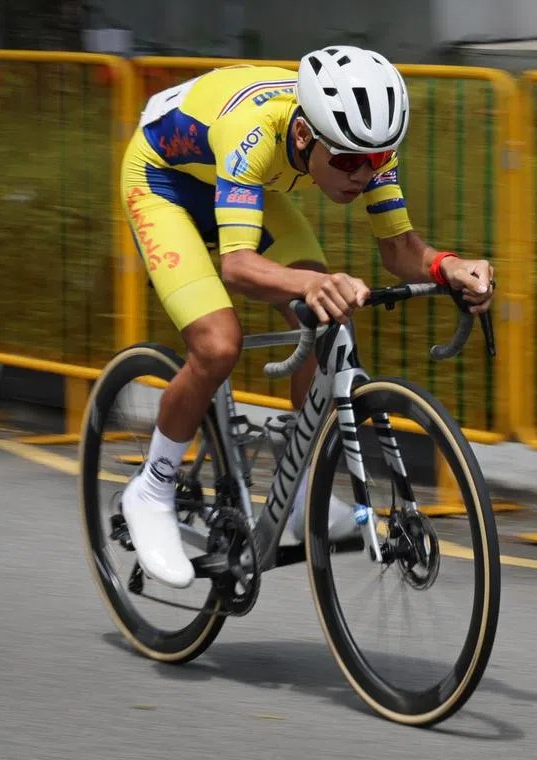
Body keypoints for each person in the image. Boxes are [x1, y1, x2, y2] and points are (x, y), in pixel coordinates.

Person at [119, 45, 495, 589]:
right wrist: (311, 283)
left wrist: (450, 266)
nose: (363, 175)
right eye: (346, 162)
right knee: (218, 344)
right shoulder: (252, 132)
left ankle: (295, 496)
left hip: (235, 180)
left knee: (329, 318)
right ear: (303, 135)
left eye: (377, 161)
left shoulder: (361, 146)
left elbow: (399, 248)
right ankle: (152, 489)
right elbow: (238, 267)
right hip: (163, 182)